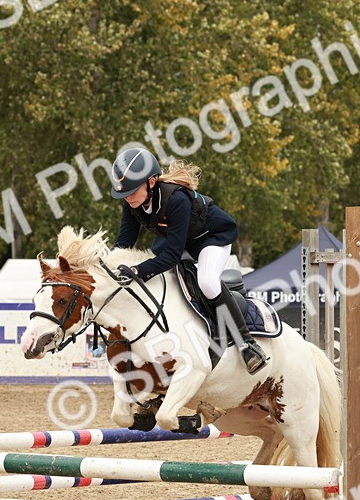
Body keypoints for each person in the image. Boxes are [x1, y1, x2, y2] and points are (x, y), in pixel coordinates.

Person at [109, 148, 268, 374]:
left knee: (207, 281)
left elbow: (172, 256)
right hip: (181, 240)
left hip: (211, 238)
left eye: (132, 190)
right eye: (124, 193)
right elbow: (124, 242)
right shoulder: (132, 203)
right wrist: (107, 267)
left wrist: (137, 270)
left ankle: (247, 344)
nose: (127, 197)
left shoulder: (176, 199)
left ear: (151, 182)